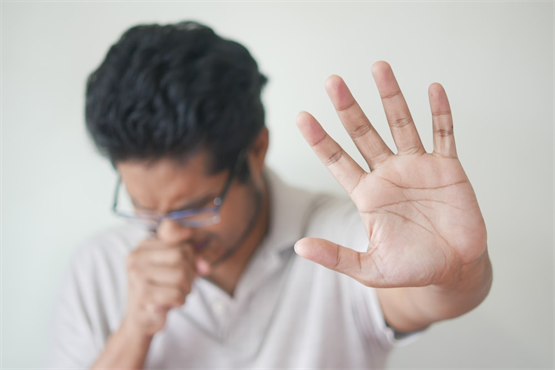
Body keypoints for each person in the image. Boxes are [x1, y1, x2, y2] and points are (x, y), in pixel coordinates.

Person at [46, 21, 492, 369]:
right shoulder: (98, 267)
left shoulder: (343, 236)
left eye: (195, 208)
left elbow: (425, 298)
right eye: (144, 209)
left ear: (256, 151)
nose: (169, 235)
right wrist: (134, 331)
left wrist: (455, 272)